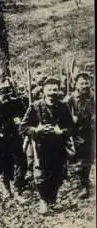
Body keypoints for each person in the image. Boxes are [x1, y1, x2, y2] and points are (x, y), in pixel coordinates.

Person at [20, 77, 74, 214]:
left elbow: (72, 128)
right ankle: (43, 201)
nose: (52, 93)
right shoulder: (35, 106)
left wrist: (61, 131)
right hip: (41, 147)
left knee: (58, 173)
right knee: (42, 174)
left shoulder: (63, 107)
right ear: (43, 91)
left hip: (58, 146)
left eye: (55, 89)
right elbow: (23, 127)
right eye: (49, 90)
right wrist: (36, 130)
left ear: (59, 91)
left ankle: (52, 200)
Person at [65, 72, 95, 198]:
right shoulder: (70, 99)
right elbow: (63, 115)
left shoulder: (93, 96)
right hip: (78, 133)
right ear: (76, 84)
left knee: (90, 158)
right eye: (81, 83)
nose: (84, 86)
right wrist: (71, 118)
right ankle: (84, 186)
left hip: (92, 132)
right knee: (81, 160)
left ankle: (86, 179)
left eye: (86, 83)